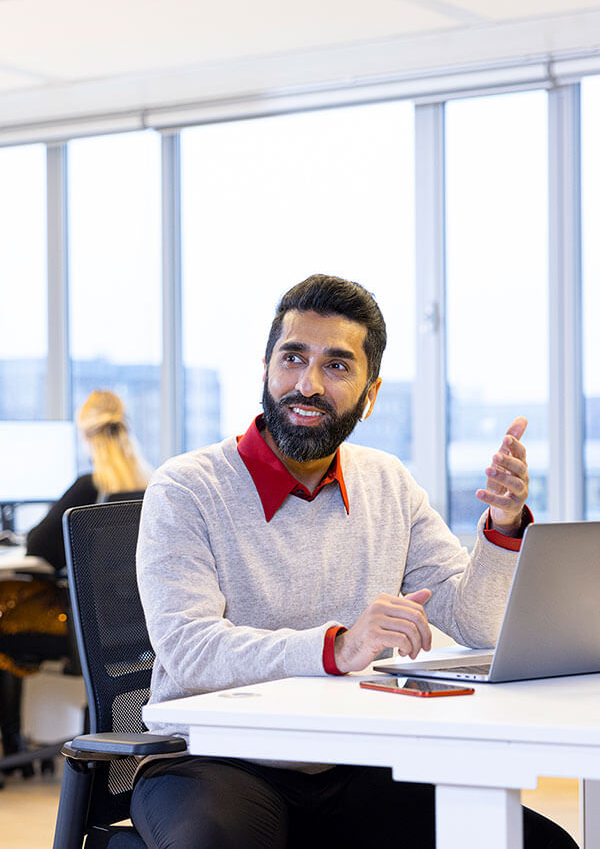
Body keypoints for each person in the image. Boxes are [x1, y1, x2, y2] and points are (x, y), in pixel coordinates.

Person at [133, 275, 577, 849]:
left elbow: (476, 622)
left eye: (338, 366)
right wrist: (338, 648)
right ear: (266, 368)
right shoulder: (188, 488)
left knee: (537, 844)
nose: (307, 384)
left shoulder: (387, 481)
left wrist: (506, 527)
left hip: (356, 758)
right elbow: (190, 650)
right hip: (215, 760)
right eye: (293, 358)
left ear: (371, 392)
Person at [0, 389, 151, 782]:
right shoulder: (152, 484)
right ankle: (17, 746)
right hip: (135, 632)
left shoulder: (89, 487)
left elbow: (39, 547)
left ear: (86, 436)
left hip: (86, 631)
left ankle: (13, 746)